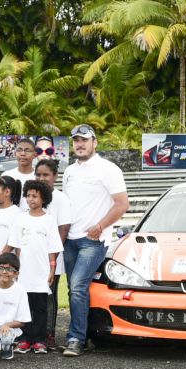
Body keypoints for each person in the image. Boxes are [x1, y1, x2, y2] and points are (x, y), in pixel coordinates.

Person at [60, 124, 129, 357]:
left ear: (94, 142)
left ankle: (76, 339)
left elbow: (122, 204)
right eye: (76, 141)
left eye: (84, 140)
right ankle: (87, 334)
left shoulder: (108, 169)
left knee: (78, 287)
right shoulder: (69, 171)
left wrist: (100, 226)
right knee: (74, 289)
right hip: (70, 238)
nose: (79, 144)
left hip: (93, 239)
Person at [13, 180, 63, 354]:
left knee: (40, 307)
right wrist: (16, 270)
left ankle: (40, 340)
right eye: (28, 195)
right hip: (24, 272)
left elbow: (53, 249)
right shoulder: (20, 219)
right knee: (24, 306)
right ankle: (25, 338)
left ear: (44, 198)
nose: (30, 199)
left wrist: (52, 270)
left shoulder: (49, 220)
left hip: (41, 271)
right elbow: (17, 247)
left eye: (35, 196)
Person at [34, 159, 73, 346]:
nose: (41, 178)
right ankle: (32, 334)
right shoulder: (32, 197)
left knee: (49, 297)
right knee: (32, 297)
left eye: (46, 175)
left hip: (51, 259)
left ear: (55, 177)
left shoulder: (60, 199)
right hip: (31, 258)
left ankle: (48, 334)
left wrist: (52, 259)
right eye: (38, 174)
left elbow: (63, 230)